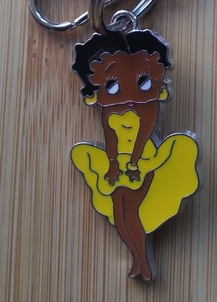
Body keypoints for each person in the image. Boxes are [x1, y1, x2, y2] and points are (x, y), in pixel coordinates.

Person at [70, 29, 199, 281]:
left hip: (142, 161)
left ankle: (142, 261)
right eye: (112, 85)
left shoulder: (148, 107)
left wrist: (132, 163)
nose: (130, 94)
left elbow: (144, 136)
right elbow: (110, 138)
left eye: (144, 82)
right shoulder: (109, 110)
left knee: (129, 211)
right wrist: (112, 165)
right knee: (119, 214)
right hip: (117, 162)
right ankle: (138, 258)